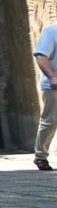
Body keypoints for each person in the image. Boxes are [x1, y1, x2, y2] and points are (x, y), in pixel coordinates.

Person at [35, 20, 57, 172]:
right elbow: (41, 56)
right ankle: (40, 156)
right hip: (54, 85)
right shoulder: (51, 31)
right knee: (51, 121)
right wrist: (52, 77)